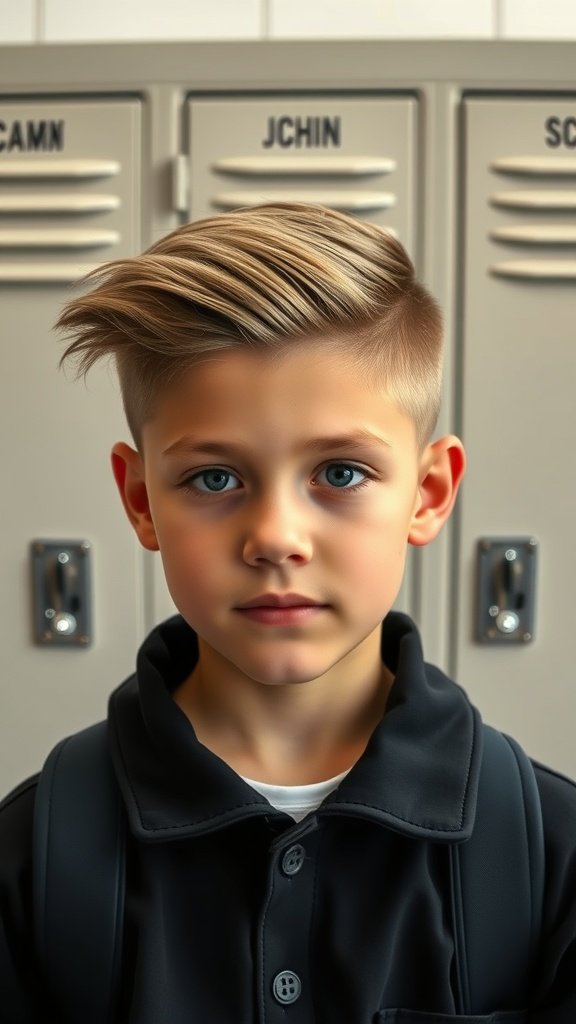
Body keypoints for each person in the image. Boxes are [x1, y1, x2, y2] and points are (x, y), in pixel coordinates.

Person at [1, 203, 575, 1022]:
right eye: (214, 479)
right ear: (141, 500)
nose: (275, 537)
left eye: (339, 473)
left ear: (428, 493)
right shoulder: (31, 857)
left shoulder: (551, 855)